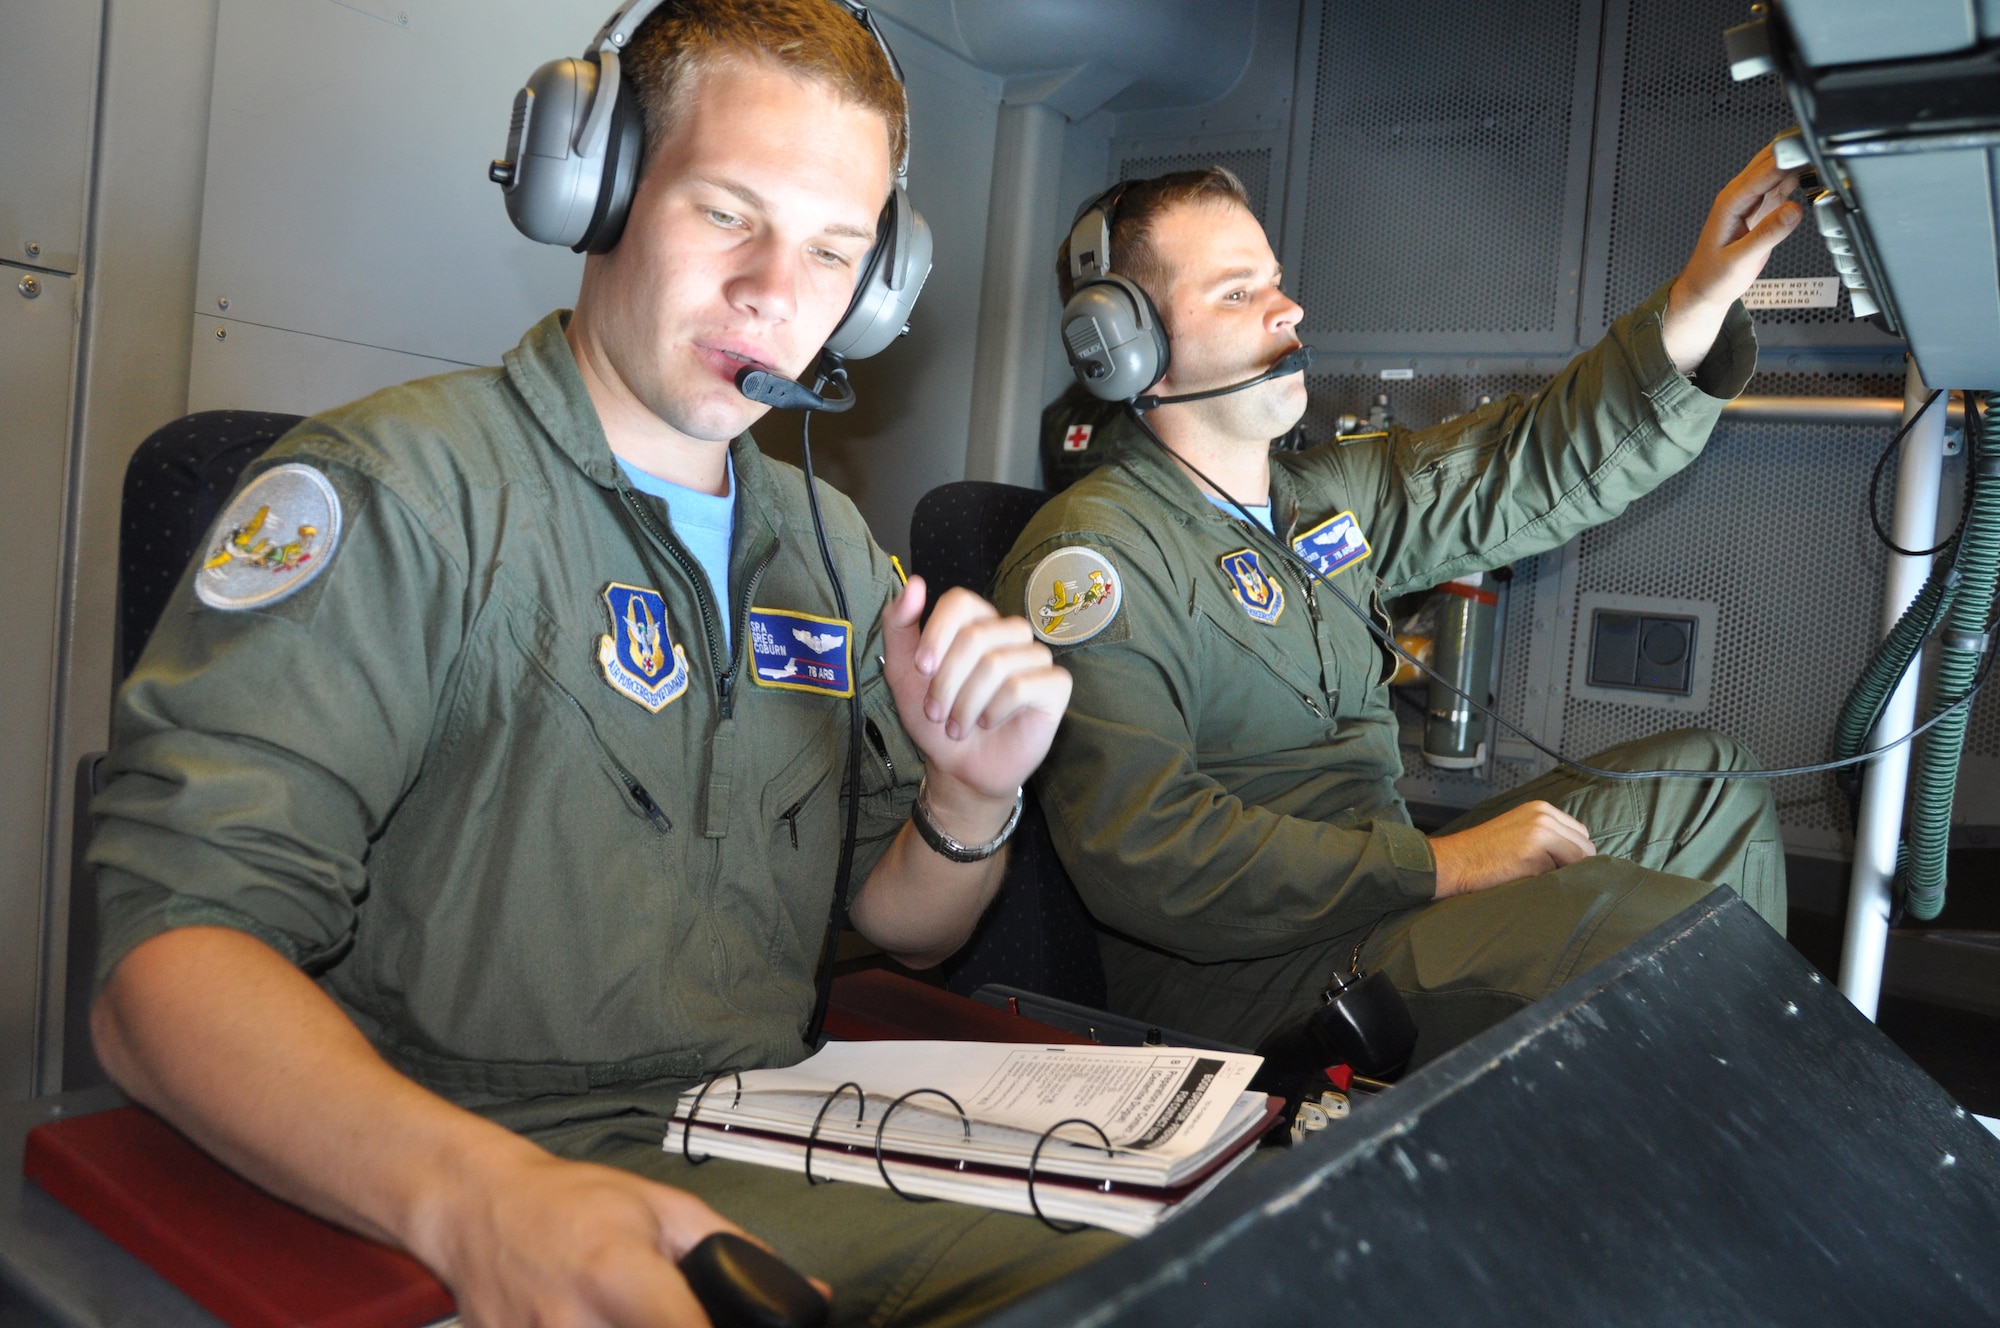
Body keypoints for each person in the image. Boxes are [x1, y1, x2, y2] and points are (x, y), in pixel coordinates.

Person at [86, 3, 1124, 1324]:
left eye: (832, 250)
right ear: (598, 190)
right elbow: (165, 960)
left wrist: (970, 797)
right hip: (466, 1164)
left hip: (766, 1137)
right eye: (725, 212)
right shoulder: (398, 495)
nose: (774, 293)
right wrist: (481, 1202)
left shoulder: (831, 555)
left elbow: (898, 926)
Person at [993, 153, 1800, 1064]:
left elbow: (1520, 465)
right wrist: (1443, 866)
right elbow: (1152, 856)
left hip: (1380, 897)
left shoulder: (1320, 497)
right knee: (1636, 930)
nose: (1287, 309)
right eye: (1235, 294)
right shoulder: (1094, 562)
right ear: (1126, 347)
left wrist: (1701, 291)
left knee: (1709, 791)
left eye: (1278, 283)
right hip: (1250, 979)